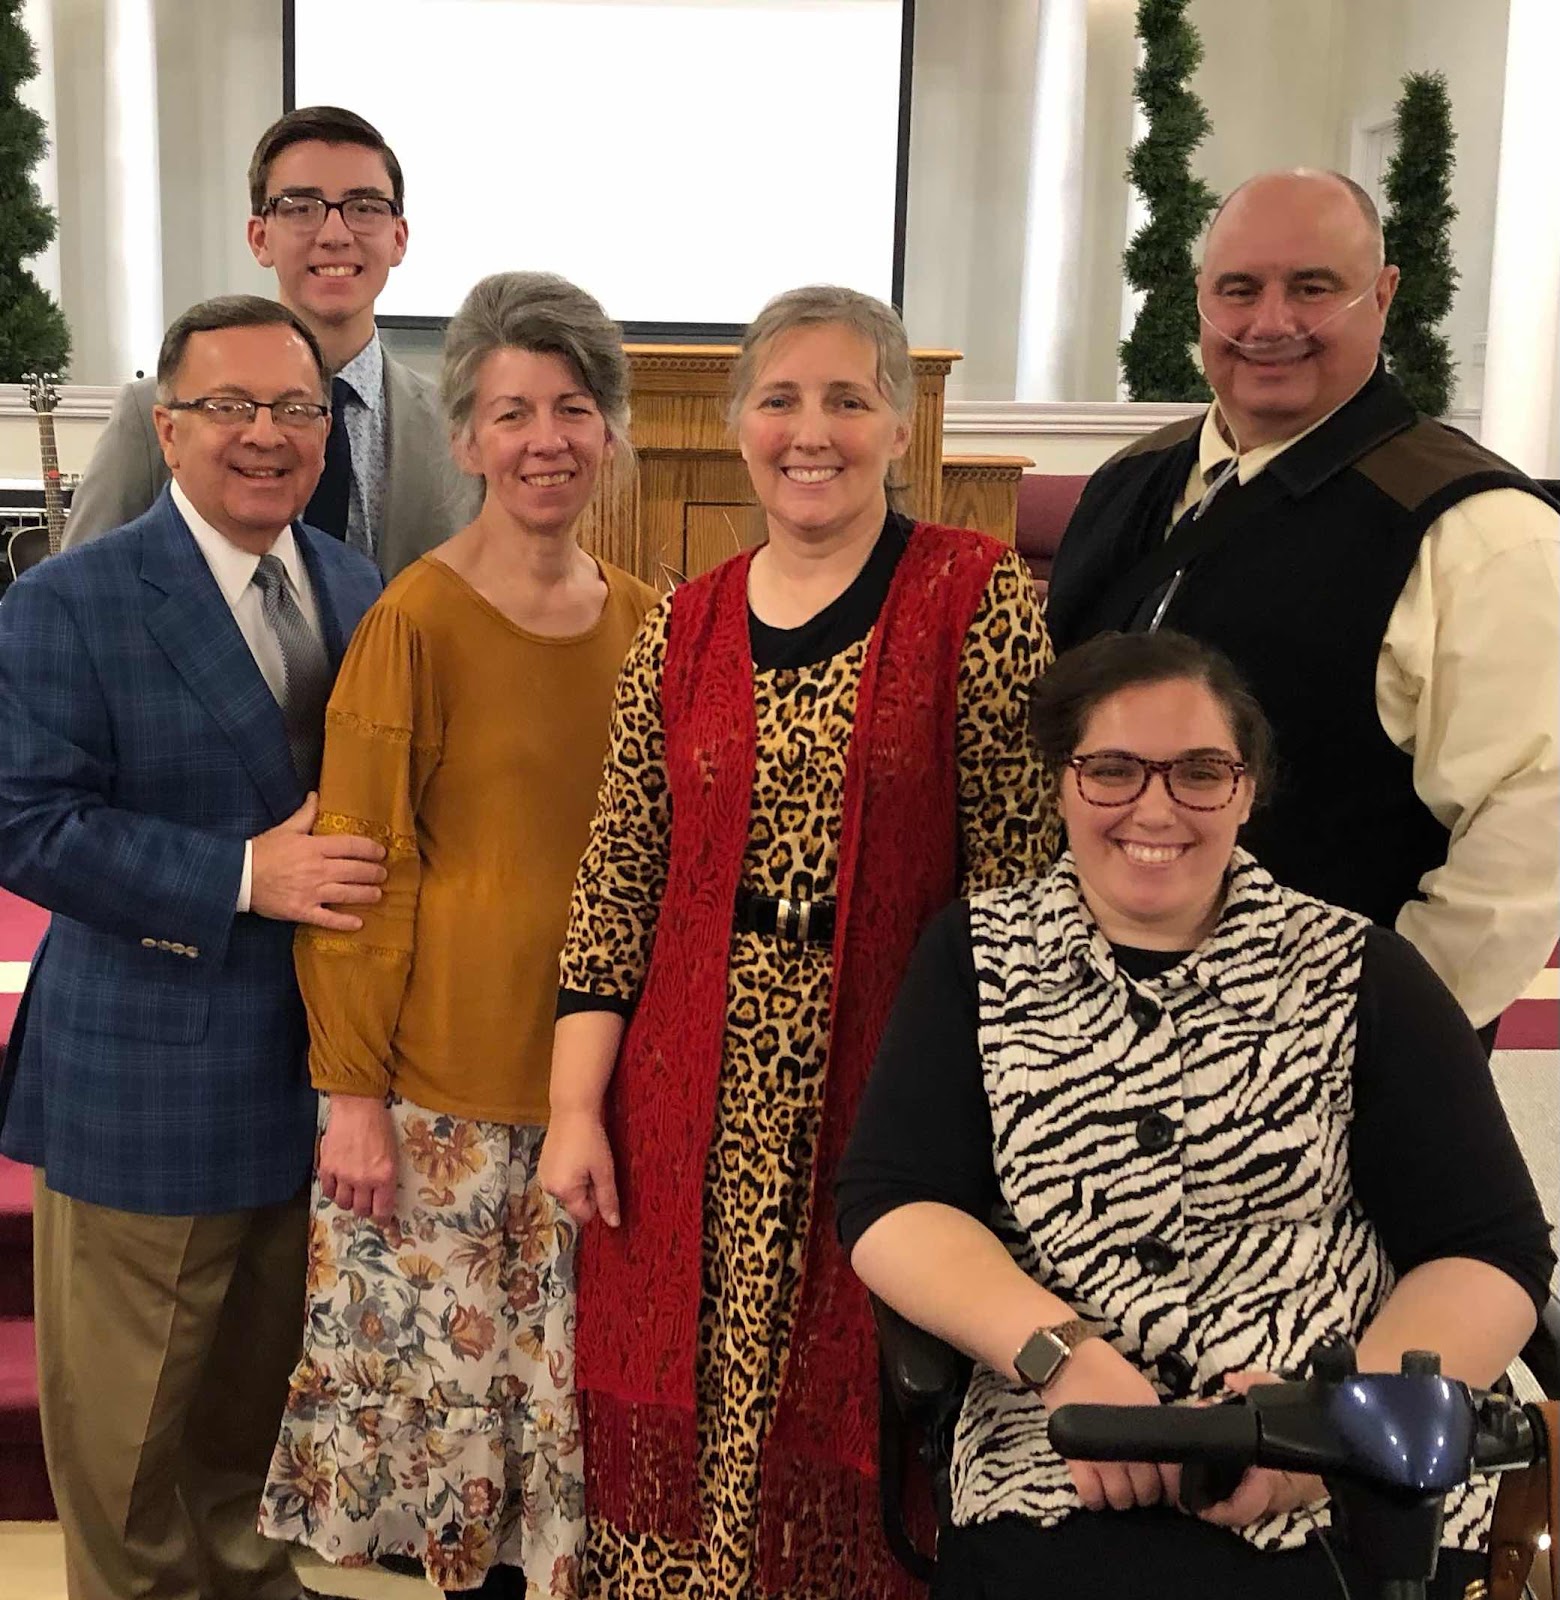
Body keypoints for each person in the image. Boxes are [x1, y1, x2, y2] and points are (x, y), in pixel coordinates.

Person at [838, 629, 1556, 1600]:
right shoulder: (977, 958)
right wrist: (1059, 1354)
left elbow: (1489, 1248)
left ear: (1246, 791)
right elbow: (892, 1204)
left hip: (1344, 1471)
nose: (1156, 807)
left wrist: (1335, 1427)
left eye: (1200, 772)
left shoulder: (1362, 971)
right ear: (1061, 783)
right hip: (1059, 1453)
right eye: (1113, 769)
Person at [537, 284, 1060, 1600]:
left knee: (849, 1426)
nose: (809, 430)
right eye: (779, 399)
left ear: (900, 428)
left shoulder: (979, 599)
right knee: (683, 1419)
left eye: (847, 399)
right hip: (682, 1103)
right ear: (738, 425)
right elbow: (620, 874)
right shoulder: (684, 624)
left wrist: (1002, 1122)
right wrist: (576, 1108)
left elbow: (1022, 884)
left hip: (889, 1092)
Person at [259, 271, 658, 1599]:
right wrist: (351, 1096)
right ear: (468, 440)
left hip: (602, 1097)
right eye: (511, 412)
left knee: (572, 1448)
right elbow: (359, 876)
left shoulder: (648, 619)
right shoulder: (414, 620)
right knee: (454, 1462)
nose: (546, 439)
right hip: (440, 1105)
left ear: (610, 430)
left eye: (573, 408)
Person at [0, 295, 387, 1600]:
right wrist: (243, 875)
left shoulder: (354, 585)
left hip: (306, 1072)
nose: (266, 433)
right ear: (167, 429)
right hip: (145, 1082)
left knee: (252, 1417)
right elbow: (27, 825)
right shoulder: (71, 600)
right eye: (230, 406)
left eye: (296, 408)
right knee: (129, 1447)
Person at [1043, 168, 1560, 1043]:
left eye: (1313, 288)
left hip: (1323, 1048)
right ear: (1200, 298)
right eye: (1239, 289)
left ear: (1382, 295)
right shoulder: (1128, 482)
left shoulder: (1476, 530)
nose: (1271, 323)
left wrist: (1385, 1032)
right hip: (1092, 1027)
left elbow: (1529, 827)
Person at [64, 105, 471, 575]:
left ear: (398, 237)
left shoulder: (458, 427)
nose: (334, 234)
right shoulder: (154, 415)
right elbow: (78, 591)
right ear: (260, 237)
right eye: (301, 208)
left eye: (364, 208)